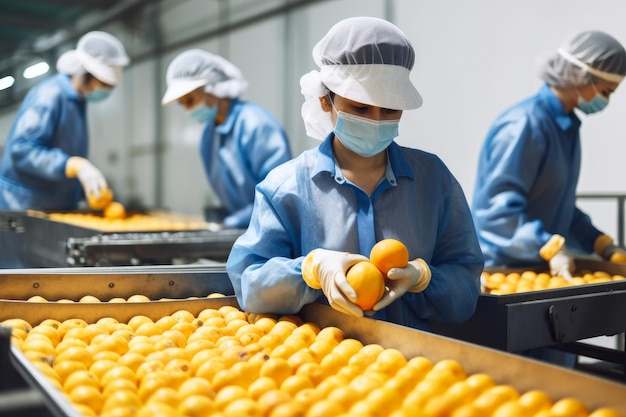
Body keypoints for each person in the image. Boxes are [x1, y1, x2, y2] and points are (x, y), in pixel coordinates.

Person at [226, 17, 484, 331]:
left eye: (389, 109)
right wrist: (310, 270)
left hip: (416, 368)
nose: (376, 119)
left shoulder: (434, 181)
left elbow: (467, 289)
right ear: (325, 100)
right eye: (360, 108)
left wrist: (425, 278)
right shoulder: (285, 189)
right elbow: (250, 285)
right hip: (321, 362)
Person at [472, 30, 626, 367]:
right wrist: (548, 245)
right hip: (507, 274)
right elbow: (496, 211)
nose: (606, 101)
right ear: (582, 77)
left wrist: (598, 241)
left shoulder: (566, 126)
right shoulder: (524, 125)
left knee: (556, 378)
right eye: (605, 91)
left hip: (547, 276)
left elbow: (559, 203)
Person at [161, 49, 292, 229]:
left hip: (273, 229)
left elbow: (279, 193)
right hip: (244, 230)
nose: (187, 110)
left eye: (190, 100)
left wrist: (234, 221)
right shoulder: (209, 134)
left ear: (211, 89)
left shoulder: (256, 125)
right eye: (182, 103)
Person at [0, 31, 129, 211]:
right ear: (86, 74)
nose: (105, 90)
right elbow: (21, 149)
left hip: (53, 205)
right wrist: (73, 165)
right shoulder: (49, 95)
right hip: (24, 204)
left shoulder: (77, 101)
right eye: (103, 84)